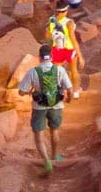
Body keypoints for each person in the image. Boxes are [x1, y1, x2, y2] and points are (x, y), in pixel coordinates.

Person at [17, 43, 74, 175]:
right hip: (56, 106)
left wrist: (30, 91)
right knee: (55, 131)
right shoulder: (59, 70)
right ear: (52, 56)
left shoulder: (33, 72)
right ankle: (55, 155)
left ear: (39, 57)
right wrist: (69, 99)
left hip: (39, 108)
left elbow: (21, 92)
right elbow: (70, 89)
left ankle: (47, 161)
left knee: (39, 137)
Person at [45, 1, 82, 93]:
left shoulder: (51, 20)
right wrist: (80, 56)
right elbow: (73, 40)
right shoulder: (69, 22)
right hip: (69, 49)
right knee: (74, 71)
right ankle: (76, 91)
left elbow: (47, 36)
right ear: (66, 10)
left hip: (57, 49)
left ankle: (59, 92)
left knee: (57, 72)